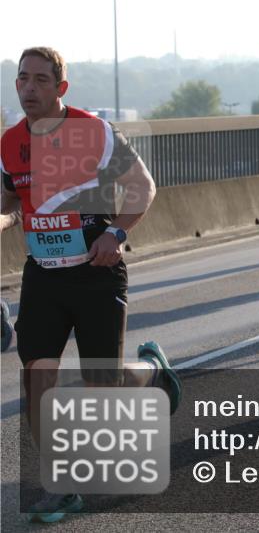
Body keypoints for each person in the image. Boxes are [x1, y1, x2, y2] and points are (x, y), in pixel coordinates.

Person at [1, 47, 182, 523]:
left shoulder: (94, 132)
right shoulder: (10, 142)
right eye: (22, 79)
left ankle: (151, 374)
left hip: (96, 273)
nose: (29, 89)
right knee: (37, 375)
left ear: (61, 88)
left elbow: (143, 187)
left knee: (104, 383)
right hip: (43, 275)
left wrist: (116, 232)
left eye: (41, 80)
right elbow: (9, 199)